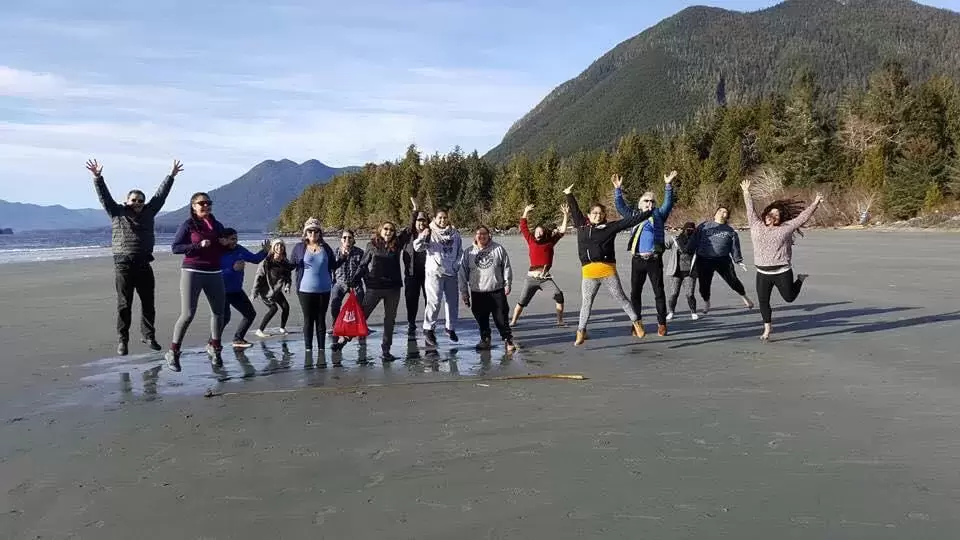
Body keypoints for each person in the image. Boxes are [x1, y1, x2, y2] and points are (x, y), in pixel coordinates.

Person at [87, 158, 182, 355]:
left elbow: (160, 195)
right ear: (127, 201)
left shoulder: (150, 212)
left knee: (148, 303)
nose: (137, 203)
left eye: (140, 201)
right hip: (123, 264)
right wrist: (97, 178)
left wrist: (171, 176)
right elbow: (104, 197)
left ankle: (148, 335)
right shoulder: (117, 212)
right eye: (134, 200)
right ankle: (123, 339)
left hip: (144, 264)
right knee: (124, 304)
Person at [564, 182, 654, 346]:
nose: (597, 215)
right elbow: (575, 211)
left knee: (621, 299)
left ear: (604, 215)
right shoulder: (582, 226)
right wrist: (569, 194)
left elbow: (629, 221)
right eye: (594, 213)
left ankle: (637, 324)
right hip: (588, 274)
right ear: (589, 215)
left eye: (600, 213)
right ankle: (581, 332)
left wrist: (647, 213)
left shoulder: (610, 227)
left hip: (607, 272)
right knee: (586, 303)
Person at [740, 180, 824, 340]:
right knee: (763, 302)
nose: (774, 216)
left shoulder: (786, 228)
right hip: (762, 272)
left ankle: (799, 280)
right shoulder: (756, 225)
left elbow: (802, 218)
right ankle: (767, 329)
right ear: (765, 215)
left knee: (789, 298)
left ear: (780, 218)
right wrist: (746, 192)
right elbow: (750, 210)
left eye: (777, 215)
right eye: (771, 213)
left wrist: (816, 203)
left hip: (782, 271)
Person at [333, 214, 417, 359]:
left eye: (391, 229)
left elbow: (409, 230)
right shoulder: (372, 245)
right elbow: (363, 264)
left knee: (390, 320)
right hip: (374, 287)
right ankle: (343, 340)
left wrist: (414, 212)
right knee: (362, 316)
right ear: (380, 230)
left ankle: (386, 350)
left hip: (393, 288)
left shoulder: (397, 245)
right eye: (386, 229)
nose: (388, 231)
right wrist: (354, 280)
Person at [164, 192, 228, 371]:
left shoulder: (217, 225)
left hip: (215, 271)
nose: (206, 206)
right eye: (202, 203)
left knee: (218, 312)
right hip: (192, 271)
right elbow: (175, 248)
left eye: (208, 203)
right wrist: (197, 246)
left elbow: (224, 248)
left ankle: (215, 349)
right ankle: (173, 352)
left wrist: (225, 244)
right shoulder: (188, 225)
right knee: (188, 314)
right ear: (193, 206)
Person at [613, 170, 677, 336]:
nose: (649, 203)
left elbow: (668, 204)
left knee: (658, 292)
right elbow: (621, 207)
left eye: (651, 201)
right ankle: (637, 323)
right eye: (646, 201)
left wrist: (668, 186)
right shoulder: (634, 215)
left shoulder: (659, 215)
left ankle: (661, 323)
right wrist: (618, 190)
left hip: (654, 259)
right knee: (635, 293)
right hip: (637, 260)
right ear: (640, 204)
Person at [687, 205, 755, 314]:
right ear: (715, 214)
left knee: (733, 280)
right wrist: (688, 250)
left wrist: (738, 260)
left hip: (723, 260)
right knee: (704, 285)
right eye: (720, 211)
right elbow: (694, 239)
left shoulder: (730, 231)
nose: (722, 213)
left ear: (727, 216)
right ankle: (706, 302)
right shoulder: (704, 226)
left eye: (725, 212)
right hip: (704, 259)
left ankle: (744, 297)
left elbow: (735, 247)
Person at [510, 203, 569, 327]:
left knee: (559, 296)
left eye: (540, 231)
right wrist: (525, 211)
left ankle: (560, 321)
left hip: (545, 278)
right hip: (531, 278)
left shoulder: (550, 242)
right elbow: (523, 226)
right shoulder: (530, 240)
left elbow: (562, 230)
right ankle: (514, 321)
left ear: (544, 233)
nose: (538, 233)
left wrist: (565, 215)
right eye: (536, 231)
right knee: (522, 301)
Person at [460, 226, 516, 352]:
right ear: (475, 236)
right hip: (478, 292)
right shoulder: (468, 252)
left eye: (485, 233)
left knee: (501, 318)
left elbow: (506, 267)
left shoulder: (498, 249)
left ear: (489, 235)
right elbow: (462, 273)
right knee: (481, 318)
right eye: (479, 234)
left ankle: (508, 339)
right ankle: (485, 339)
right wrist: (464, 292)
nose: (482, 236)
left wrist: (508, 283)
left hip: (497, 290)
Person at [413, 209, 463, 348]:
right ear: (435, 218)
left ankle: (450, 328)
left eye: (445, 217)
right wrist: (423, 237)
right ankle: (428, 328)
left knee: (452, 302)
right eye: (440, 218)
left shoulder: (455, 233)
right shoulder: (429, 232)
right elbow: (417, 247)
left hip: (451, 272)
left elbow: (460, 252)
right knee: (434, 301)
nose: (442, 220)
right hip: (434, 273)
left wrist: (456, 266)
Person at [290, 218, 341, 352]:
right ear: (305, 233)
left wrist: (344, 258)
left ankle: (321, 348)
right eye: (310, 231)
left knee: (321, 319)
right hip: (304, 290)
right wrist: (276, 260)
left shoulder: (326, 248)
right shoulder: (299, 248)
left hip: (324, 289)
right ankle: (308, 349)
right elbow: (290, 266)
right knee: (308, 319)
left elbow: (333, 266)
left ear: (320, 233)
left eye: (316, 231)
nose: (313, 234)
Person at [218, 229, 269, 348]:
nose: (235, 241)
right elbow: (213, 273)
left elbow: (255, 259)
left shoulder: (239, 249)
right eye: (232, 239)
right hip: (221, 291)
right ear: (224, 240)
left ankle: (238, 338)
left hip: (236, 290)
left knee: (250, 314)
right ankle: (213, 342)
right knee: (225, 318)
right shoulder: (217, 252)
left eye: (236, 238)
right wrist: (232, 269)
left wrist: (264, 251)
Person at [252, 239, 294, 337]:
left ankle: (282, 328)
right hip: (266, 291)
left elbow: (288, 276)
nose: (279, 248)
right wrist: (254, 292)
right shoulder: (267, 262)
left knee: (286, 307)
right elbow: (258, 277)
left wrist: (287, 286)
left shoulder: (285, 262)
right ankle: (259, 330)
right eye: (277, 246)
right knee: (273, 309)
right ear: (273, 248)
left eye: (281, 246)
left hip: (276, 291)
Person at [663, 222, 699, 321]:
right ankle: (671, 312)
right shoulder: (675, 239)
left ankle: (693, 312)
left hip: (690, 272)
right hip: (676, 271)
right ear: (683, 229)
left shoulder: (696, 241)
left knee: (690, 294)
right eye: (687, 229)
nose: (689, 231)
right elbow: (664, 245)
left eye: (691, 230)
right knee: (674, 293)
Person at [403, 202, 429, 337]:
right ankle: (411, 323)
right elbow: (409, 227)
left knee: (429, 300)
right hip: (411, 274)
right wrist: (414, 211)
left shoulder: (431, 235)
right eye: (418, 220)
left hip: (428, 274)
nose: (421, 222)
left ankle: (428, 324)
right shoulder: (408, 235)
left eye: (423, 220)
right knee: (411, 299)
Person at [329, 229, 365, 324]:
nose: (347, 239)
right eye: (344, 237)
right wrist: (332, 282)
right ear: (341, 239)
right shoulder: (335, 252)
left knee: (360, 304)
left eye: (350, 237)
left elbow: (364, 269)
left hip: (355, 283)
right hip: (340, 283)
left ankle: (359, 325)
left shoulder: (360, 252)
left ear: (353, 239)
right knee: (335, 304)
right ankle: (335, 325)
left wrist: (367, 283)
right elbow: (332, 268)